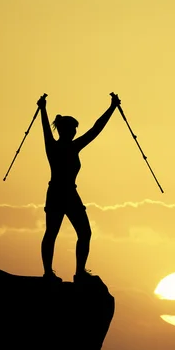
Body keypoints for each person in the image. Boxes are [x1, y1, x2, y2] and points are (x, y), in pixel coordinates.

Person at [37, 93, 121, 283]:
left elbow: (95, 128)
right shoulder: (64, 147)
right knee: (60, 233)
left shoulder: (59, 146)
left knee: (74, 233)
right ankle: (56, 273)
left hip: (64, 193)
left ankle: (71, 272)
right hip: (63, 193)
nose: (76, 132)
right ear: (67, 130)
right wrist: (112, 107)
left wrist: (43, 108)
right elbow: (95, 129)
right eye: (74, 128)